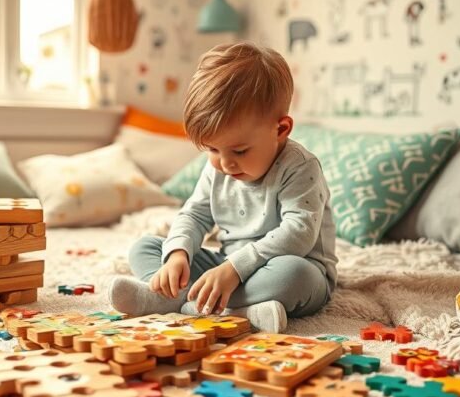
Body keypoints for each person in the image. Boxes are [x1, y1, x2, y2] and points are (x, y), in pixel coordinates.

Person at [108, 42, 337, 332]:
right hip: (226, 264)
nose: (225, 164)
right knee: (145, 247)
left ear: (280, 130)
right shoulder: (218, 166)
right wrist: (178, 255)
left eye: (239, 151)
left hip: (287, 266)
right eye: (212, 149)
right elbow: (194, 215)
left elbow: (299, 233)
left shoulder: (301, 166)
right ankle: (228, 308)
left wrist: (234, 270)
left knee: (294, 276)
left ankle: (187, 304)